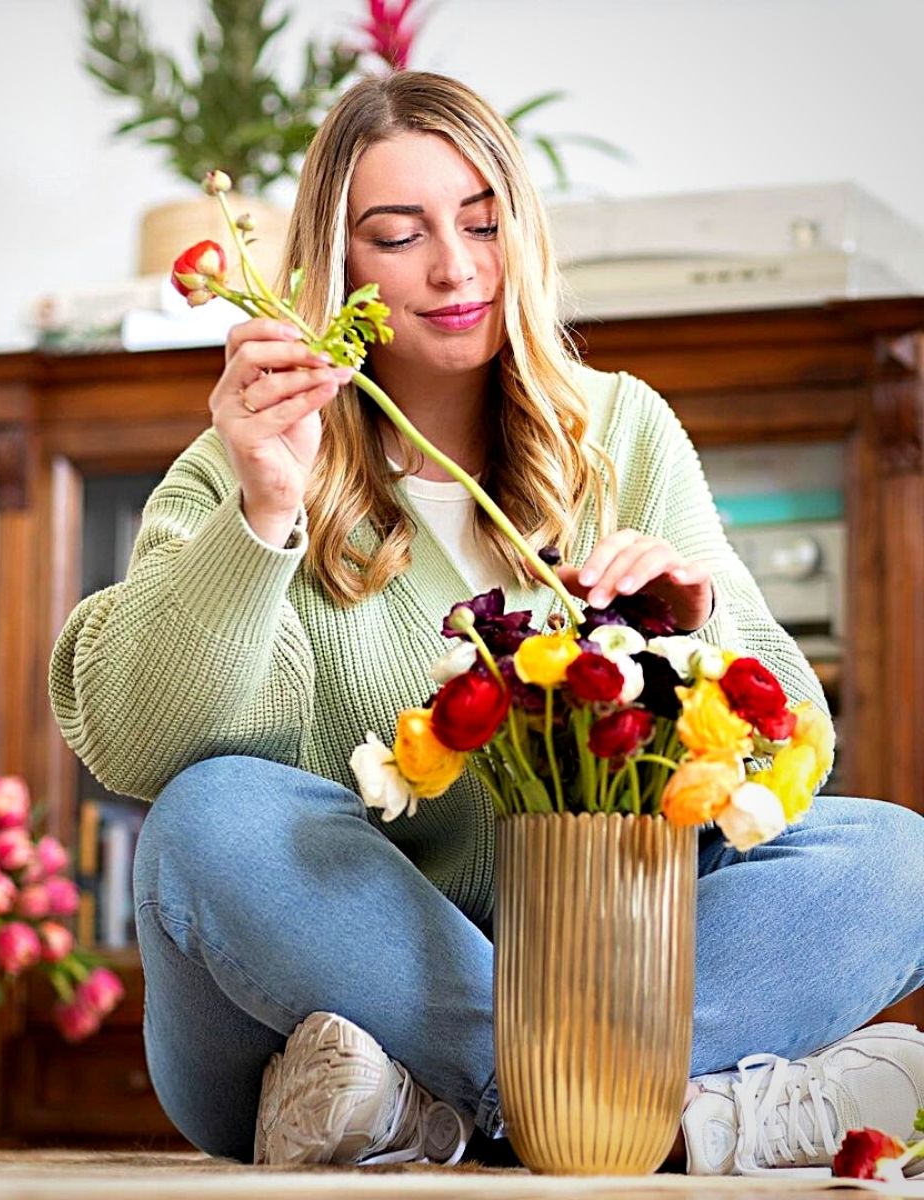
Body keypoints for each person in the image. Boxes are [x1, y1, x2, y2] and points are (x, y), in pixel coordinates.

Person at [49, 71, 924, 1172]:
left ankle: (434, 1115)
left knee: (897, 856)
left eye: (482, 222)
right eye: (397, 234)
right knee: (207, 816)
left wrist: (698, 645)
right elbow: (140, 746)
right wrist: (265, 508)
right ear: (335, 265)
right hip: (319, 1006)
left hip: (595, 960)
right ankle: (659, 1116)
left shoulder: (620, 434)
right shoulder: (243, 461)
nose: (455, 268)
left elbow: (796, 743)